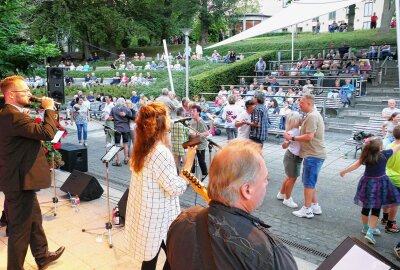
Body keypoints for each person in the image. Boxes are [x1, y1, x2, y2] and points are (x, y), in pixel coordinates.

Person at [166, 139, 298, 270]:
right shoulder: (270, 253)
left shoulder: (182, 222)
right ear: (247, 190)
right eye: (265, 179)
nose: (267, 183)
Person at [0, 76, 65, 270]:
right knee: (20, 230)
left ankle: (42, 256)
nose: (29, 93)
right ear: (11, 94)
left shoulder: (10, 113)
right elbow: (46, 133)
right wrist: (49, 109)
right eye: (25, 91)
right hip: (19, 182)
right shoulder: (13, 115)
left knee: (34, 218)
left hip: (20, 179)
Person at [125, 102, 196, 270]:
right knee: (174, 255)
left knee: (152, 258)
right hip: (159, 218)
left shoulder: (142, 147)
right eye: (169, 116)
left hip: (148, 215)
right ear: (162, 122)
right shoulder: (160, 152)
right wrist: (189, 162)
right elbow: (176, 188)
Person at [340, 137, 400, 245]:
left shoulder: (366, 155)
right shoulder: (385, 154)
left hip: (367, 183)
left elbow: (356, 165)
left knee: (366, 207)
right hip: (380, 184)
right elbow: (397, 147)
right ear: (380, 147)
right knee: (376, 209)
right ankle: (370, 232)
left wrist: (345, 171)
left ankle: (365, 227)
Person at [284, 94, 326, 219]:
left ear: (309, 103)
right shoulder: (312, 114)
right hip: (315, 154)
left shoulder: (312, 116)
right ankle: (315, 205)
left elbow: (309, 137)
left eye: (301, 102)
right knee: (310, 182)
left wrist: (291, 137)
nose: (299, 104)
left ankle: (307, 210)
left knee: (308, 183)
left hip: (313, 154)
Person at [277, 112, 302, 208]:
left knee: (288, 177)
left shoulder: (296, 130)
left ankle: (281, 194)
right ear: (295, 120)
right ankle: (287, 199)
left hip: (291, 156)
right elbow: (285, 145)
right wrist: (285, 142)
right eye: (300, 118)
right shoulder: (293, 132)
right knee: (292, 178)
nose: (301, 119)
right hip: (292, 157)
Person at [382, 126, 400, 233]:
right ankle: (390, 224)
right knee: (395, 203)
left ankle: (385, 217)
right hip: (398, 180)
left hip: (387, 176)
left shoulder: (389, 145)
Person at [190, 105, 209, 181]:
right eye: (191, 110)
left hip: (201, 144)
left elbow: (207, 133)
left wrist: (197, 134)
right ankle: (192, 175)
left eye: (194, 111)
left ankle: (205, 174)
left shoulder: (201, 121)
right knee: (191, 160)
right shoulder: (191, 120)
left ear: (198, 112)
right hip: (193, 143)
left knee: (201, 161)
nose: (192, 112)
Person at [110, 98, 132, 166]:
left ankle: (118, 161)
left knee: (117, 145)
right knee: (125, 144)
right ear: (124, 102)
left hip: (117, 128)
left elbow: (110, 117)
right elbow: (130, 118)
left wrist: (114, 119)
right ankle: (126, 159)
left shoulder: (113, 108)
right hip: (126, 128)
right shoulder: (127, 109)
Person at [171, 107, 190, 172]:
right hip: (183, 145)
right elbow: (189, 133)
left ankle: (177, 175)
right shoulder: (184, 122)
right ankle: (184, 177)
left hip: (174, 145)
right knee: (185, 163)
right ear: (183, 113)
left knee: (176, 162)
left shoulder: (172, 121)